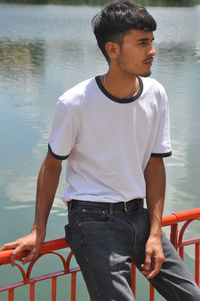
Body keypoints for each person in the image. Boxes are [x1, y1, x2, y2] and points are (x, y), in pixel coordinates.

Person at [1, 1, 200, 300]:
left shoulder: (156, 94)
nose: (152, 52)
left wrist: (156, 232)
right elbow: (52, 164)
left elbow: (154, 164)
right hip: (93, 221)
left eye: (152, 42)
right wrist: (38, 230)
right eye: (142, 43)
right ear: (113, 49)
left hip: (140, 217)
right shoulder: (74, 102)